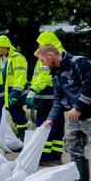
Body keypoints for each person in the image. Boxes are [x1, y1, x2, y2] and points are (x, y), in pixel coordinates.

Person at [39, 44, 91, 181]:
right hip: (75, 117)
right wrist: (50, 118)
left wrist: (78, 106)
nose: (42, 64)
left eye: (43, 60)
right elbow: (58, 99)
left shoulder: (79, 63)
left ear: (51, 55)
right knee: (73, 147)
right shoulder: (56, 73)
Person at [27, 31, 66, 164]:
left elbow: (43, 76)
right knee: (58, 126)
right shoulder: (60, 53)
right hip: (57, 95)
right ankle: (56, 157)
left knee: (44, 125)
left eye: (40, 44)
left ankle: (44, 157)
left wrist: (33, 90)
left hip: (45, 95)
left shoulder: (48, 55)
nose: (39, 46)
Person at [0, 35, 29, 138]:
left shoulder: (17, 58)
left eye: (1, 47)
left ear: (7, 47)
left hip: (15, 90)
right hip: (3, 91)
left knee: (17, 113)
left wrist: (15, 94)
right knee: (7, 113)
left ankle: (23, 134)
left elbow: (20, 77)